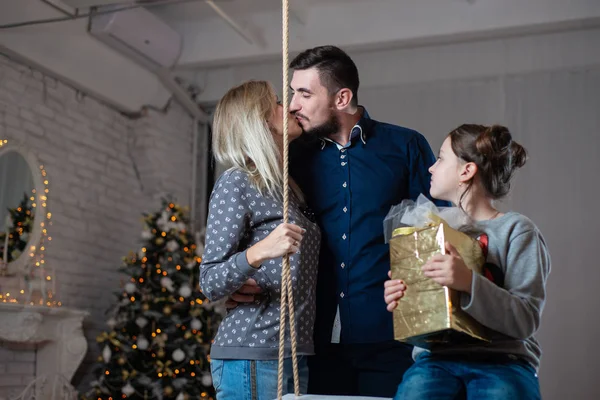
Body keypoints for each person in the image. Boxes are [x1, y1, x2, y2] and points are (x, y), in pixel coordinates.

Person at [287, 45, 446, 397]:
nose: (294, 104)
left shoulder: (406, 145)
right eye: (292, 93)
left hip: (391, 334)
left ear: (342, 97)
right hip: (315, 338)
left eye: (304, 93)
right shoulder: (294, 157)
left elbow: (438, 230)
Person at [384, 124, 551, 400]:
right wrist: (403, 298)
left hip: (503, 360)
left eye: (440, 158)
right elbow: (427, 313)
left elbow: (525, 319)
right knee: (415, 393)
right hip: (436, 359)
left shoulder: (517, 231)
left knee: (504, 393)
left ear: (466, 171)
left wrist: (469, 282)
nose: (430, 168)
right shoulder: (429, 230)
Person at [199, 80, 321, 400]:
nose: (290, 107)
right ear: (261, 120)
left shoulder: (289, 191)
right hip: (253, 354)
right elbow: (210, 280)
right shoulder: (237, 181)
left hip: (294, 352)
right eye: (279, 103)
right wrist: (259, 252)